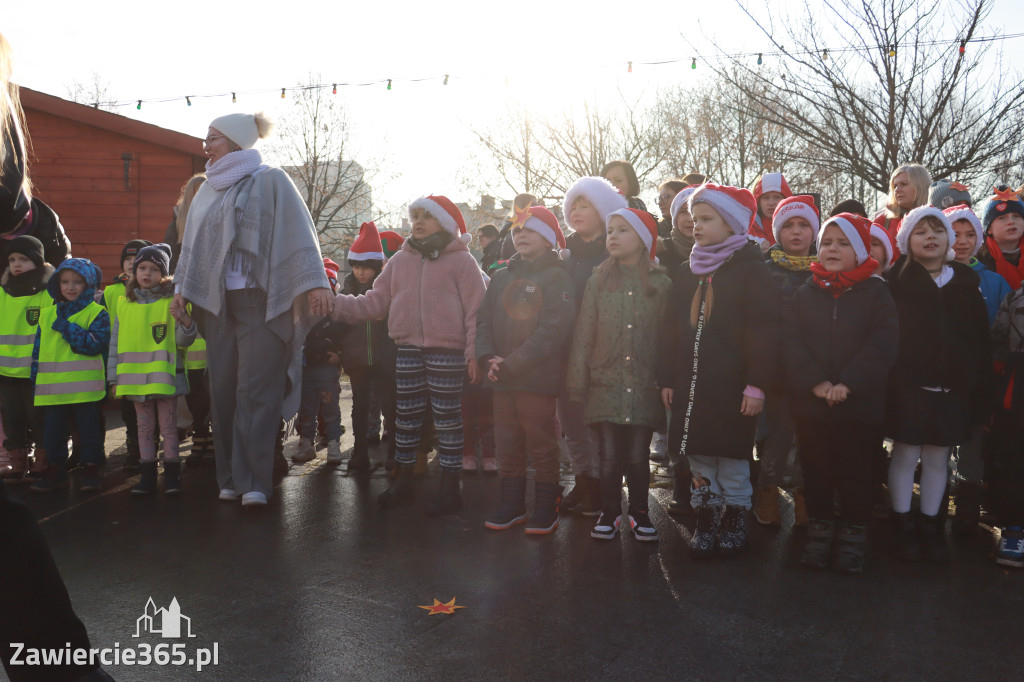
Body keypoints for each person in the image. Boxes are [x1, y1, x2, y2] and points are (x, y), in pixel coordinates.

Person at [173, 111, 332, 507]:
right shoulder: (207, 191)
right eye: (206, 138)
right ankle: (228, 477)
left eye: (214, 138)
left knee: (256, 393)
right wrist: (182, 290)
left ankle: (256, 480)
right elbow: (191, 249)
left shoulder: (271, 180)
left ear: (237, 141)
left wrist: (314, 283)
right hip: (216, 305)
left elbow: (300, 234)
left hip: (261, 301)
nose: (206, 145)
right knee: (222, 390)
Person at [331, 195, 486, 514]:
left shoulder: (462, 261)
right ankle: (402, 480)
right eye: (414, 216)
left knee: (447, 420)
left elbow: (476, 312)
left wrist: (473, 353)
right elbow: (372, 303)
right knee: (406, 417)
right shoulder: (400, 261)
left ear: (443, 222)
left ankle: (449, 486)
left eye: (426, 216)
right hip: (408, 349)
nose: (417, 222)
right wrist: (332, 302)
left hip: (448, 351)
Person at [658, 184, 781, 559]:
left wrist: (757, 385)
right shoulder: (687, 271)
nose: (696, 226)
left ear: (731, 224)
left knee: (730, 457)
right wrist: (666, 378)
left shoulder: (751, 272)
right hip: (691, 386)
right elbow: (671, 329)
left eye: (707, 219)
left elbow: (764, 332)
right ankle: (706, 516)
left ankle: (735, 517)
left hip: (732, 387)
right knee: (699, 457)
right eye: (695, 219)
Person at [785, 213, 899, 572]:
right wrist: (815, 381)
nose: (833, 249)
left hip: (859, 406)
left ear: (862, 250)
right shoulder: (806, 291)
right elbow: (791, 342)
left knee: (856, 473)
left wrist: (848, 382)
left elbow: (882, 344)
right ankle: (820, 530)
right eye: (828, 242)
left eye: (844, 243)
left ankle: (853, 534)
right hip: (812, 405)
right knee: (815, 470)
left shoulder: (877, 293)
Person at [886, 205, 991, 563]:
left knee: (937, 458)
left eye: (937, 230)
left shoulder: (966, 285)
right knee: (903, 454)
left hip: (952, 391)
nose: (930, 236)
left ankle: (931, 524)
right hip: (907, 387)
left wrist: (978, 394)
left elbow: (980, 343)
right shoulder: (895, 283)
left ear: (949, 239)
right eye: (920, 231)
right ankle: (901, 522)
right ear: (907, 241)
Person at [567, 208, 671, 541]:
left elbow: (669, 336)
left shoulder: (662, 284)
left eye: (622, 230)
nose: (612, 236)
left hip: (643, 383)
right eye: (610, 230)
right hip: (605, 381)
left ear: (642, 240)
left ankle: (640, 512)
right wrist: (577, 383)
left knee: (639, 455)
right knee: (609, 454)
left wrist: (667, 379)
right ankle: (609, 510)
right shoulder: (598, 279)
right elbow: (584, 332)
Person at [476, 206, 575, 534]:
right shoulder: (502, 275)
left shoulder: (558, 276)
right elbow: (484, 320)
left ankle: (546, 507)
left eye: (529, 230)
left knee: (540, 442)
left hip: (536, 379)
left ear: (548, 239)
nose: (521, 236)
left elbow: (552, 331)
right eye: (517, 231)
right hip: (500, 377)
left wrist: (512, 365)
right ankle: (512, 504)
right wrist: (488, 357)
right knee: (507, 442)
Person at [558, 177, 628, 516]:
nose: (576, 211)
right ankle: (583, 479)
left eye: (584, 205)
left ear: (602, 210)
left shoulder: (614, 251)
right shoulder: (564, 253)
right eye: (573, 205)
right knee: (570, 422)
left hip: (602, 352)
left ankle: (603, 484)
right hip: (563, 350)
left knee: (597, 422)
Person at [108, 244, 197, 495]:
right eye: (142, 267)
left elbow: (183, 341)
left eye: (154, 269)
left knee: (169, 429)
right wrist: (113, 377)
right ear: (135, 271)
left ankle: (172, 476)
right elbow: (114, 344)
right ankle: (147, 476)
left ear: (164, 274)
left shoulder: (172, 302)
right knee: (144, 429)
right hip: (135, 382)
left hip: (164, 380)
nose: (147, 273)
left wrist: (185, 321)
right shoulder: (123, 304)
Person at [753, 195, 821, 527]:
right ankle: (767, 491)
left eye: (804, 225)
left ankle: (805, 494)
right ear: (778, 232)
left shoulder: (825, 269)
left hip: (814, 370)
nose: (796, 232)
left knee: (808, 437)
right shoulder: (765, 270)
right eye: (789, 225)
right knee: (778, 435)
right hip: (777, 371)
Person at [943, 204, 1010, 533]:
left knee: (972, 443)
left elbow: (1003, 333)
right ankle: (935, 504)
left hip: (979, 379)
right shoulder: (933, 276)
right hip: (940, 379)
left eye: (970, 234)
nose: (962, 241)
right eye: (955, 233)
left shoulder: (994, 283)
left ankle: (967, 504)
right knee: (939, 444)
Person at [29, 258, 109, 493]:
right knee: (53, 432)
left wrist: (66, 326)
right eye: (65, 282)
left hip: (85, 390)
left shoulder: (97, 313)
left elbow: (94, 345)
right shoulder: (46, 314)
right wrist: (35, 377)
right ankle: (56, 470)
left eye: (77, 282)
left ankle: (91, 468)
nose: (70, 287)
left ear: (88, 285)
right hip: (53, 389)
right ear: (57, 284)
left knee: (88, 432)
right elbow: (37, 349)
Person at [338, 221, 397, 473]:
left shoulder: (386, 289)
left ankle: (394, 454)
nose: (361, 273)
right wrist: (336, 350)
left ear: (377, 267)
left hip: (385, 357)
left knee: (390, 407)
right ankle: (359, 452)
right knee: (359, 407)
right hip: (357, 357)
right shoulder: (347, 290)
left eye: (366, 268)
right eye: (356, 267)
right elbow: (338, 323)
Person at [0, 236, 53, 481]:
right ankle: (18, 463)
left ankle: (43, 461)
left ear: (38, 261)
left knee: (38, 418)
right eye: (12, 259)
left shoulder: (46, 292)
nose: (16, 264)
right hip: (6, 372)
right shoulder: (3, 292)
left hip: (35, 371)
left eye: (23, 259)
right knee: (12, 420)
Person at [293, 258, 347, 465]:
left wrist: (340, 354)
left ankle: (333, 443)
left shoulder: (336, 315)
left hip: (327, 369)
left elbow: (345, 336)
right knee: (306, 410)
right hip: (307, 369)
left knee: (331, 409)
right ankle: (307, 443)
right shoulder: (303, 315)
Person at [103, 238, 150, 470]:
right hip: (123, 362)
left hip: (150, 361)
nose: (131, 264)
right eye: (128, 259)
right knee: (129, 412)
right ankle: (134, 448)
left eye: (137, 259)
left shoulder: (155, 292)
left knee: (150, 410)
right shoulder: (111, 291)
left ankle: (149, 449)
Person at [988, 280, 1024, 566]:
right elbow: (998, 345)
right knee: (1013, 461)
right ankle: (1014, 530)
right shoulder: (1014, 297)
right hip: (1017, 387)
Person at [975, 186, 1024, 289]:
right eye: (1002, 218)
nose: (1011, 222)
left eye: (1016, 216)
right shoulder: (978, 261)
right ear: (989, 229)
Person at [872, 163, 931, 240]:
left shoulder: (937, 220)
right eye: (895, 186)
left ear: (920, 187)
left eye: (904, 184)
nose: (897, 190)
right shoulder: (883, 221)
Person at [658, 184, 698, 278]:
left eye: (694, 212)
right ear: (675, 218)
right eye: (683, 212)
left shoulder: (724, 253)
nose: (690, 219)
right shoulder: (661, 253)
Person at [748, 172, 792, 252]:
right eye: (766, 198)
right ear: (758, 201)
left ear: (786, 199)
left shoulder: (797, 227)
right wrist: (756, 253)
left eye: (777, 197)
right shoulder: (747, 230)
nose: (771, 203)